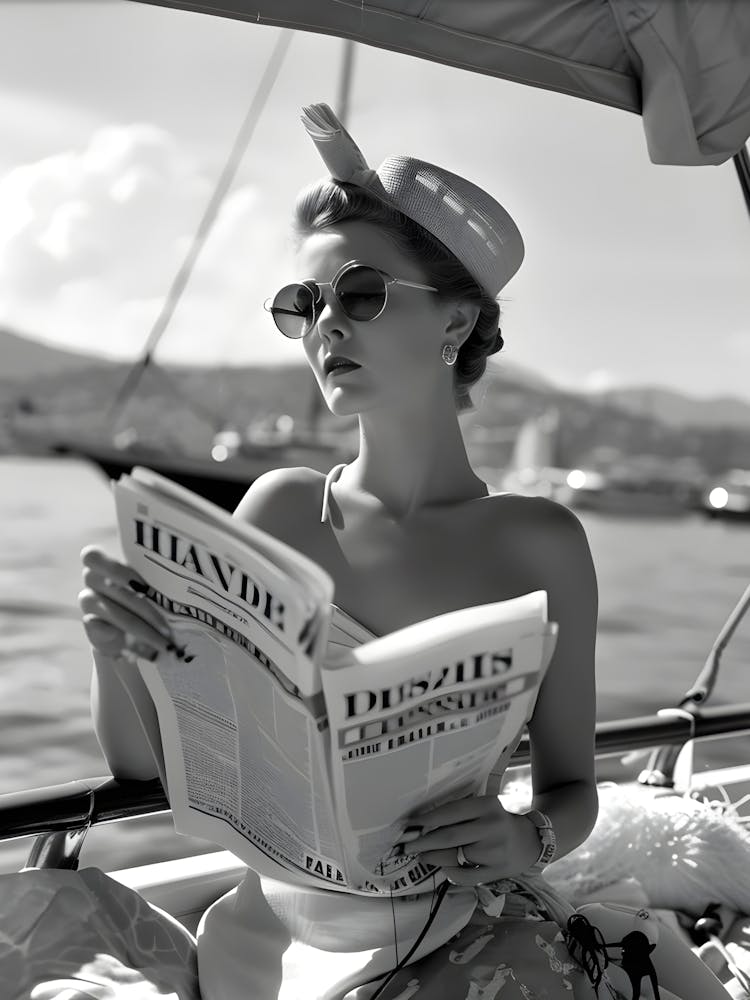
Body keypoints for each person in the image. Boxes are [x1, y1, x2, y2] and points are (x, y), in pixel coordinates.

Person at [78, 104, 730, 1000]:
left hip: (469, 923)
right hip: (280, 943)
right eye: (302, 305)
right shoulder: (278, 510)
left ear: (457, 327)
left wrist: (525, 839)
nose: (324, 328)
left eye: (360, 294)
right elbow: (143, 771)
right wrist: (116, 652)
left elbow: (572, 786)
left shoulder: (541, 543)